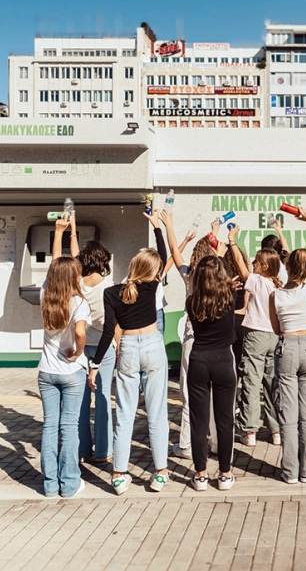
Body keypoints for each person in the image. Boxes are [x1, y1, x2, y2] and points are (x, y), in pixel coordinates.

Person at [94, 211, 169, 495]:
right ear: (152, 271)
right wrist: (157, 227)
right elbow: (162, 255)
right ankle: (160, 473)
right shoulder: (152, 286)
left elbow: (107, 331)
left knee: (124, 414)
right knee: (157, 412)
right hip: (152, 344)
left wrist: (95, 363)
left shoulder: (112, 293)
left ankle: (118, 475)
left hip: (126, 349)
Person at [52, 213, 115, 465]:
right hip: (103, 347)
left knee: (78, 400)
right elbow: (114, 324)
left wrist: (71, 231)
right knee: (102, 398)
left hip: (78, 346)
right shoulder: (110, 287)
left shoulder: (75, 283)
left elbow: (65, 258)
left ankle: (81, 449)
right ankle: (103, 451)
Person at [269, 206, 306, 484]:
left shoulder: (275, 295)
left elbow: (277, 329)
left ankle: (289, 472)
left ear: (285, 266)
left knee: (287, 417)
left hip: (287, 347)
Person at [161, 215, 217, 460]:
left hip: (193, 340)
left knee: (188, 394)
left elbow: (174, 252)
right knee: (215, 396)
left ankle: (185, 445)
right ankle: (216, 443)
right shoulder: (219, 279)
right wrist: (215, 233)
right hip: (216, 342)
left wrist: (170, 226)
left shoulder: (190, 277)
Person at [184, 254, 239, 491]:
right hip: (224, 360)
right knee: (225, 420)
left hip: (199, 359)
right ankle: (225, 474)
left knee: (199, 421)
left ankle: (201, 475)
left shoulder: (192, 302)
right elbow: (228, 284)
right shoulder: (231, 297)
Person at [38, 255, 90, 498]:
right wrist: (78, 352)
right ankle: (69, 484)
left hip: (46, 371)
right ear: (72, 277)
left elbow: (53, 270)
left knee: (50, 425)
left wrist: (59, 232)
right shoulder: (79, 302)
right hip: (71, 372)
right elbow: (80, 331)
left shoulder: (45, 296)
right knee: (69, 427)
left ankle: (49, 484)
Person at [228, 227, 283, 448]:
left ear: (264, 267)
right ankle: (276, 429)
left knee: (251, 381)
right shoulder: (277, 284)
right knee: (272, 383)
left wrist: (232, 242)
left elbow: (241, 266)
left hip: (255, 336)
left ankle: (249, 430)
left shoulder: (258, 281)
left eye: (257, 263)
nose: (252, 265)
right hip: (274, 337)